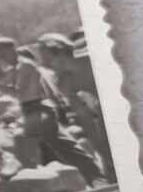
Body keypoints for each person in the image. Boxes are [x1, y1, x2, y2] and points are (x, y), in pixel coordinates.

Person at [0, 37, 104, 185]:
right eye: (1, 57)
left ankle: (94, 175)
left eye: (4, 55)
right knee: (64, 148)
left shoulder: (25, 66)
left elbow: (19, 93)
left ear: (12, 50)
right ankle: (94, 175)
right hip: (33, 110)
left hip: (38, 109)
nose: (4, 59)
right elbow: (0, 77)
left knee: (24, 144)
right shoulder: (17, 67)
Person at [36, 32, 116, 182]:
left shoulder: (93, 58)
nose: (47, 66)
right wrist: (103, 151)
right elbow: (85, 120)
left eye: (48, 60)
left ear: (60, 53)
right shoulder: (64, 82)